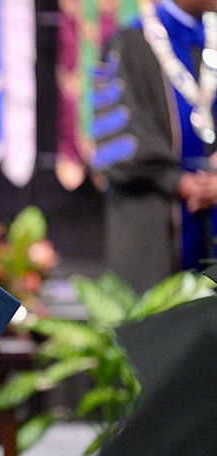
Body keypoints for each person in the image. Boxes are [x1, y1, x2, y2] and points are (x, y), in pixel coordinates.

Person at [93, 0, 217, 293]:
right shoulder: (130, 42)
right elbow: (120, 137)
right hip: (151, 217)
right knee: (155, 329)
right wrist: (183, 183)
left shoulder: (212, 40)